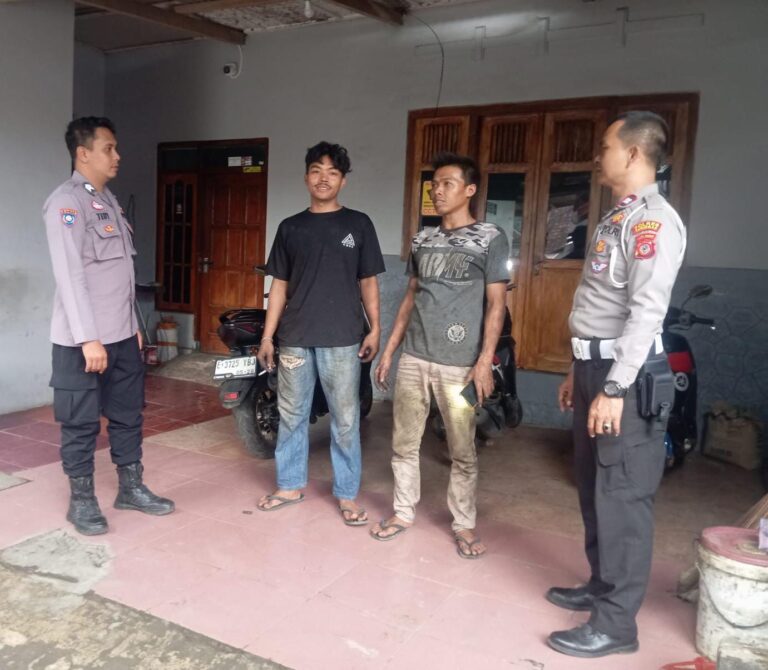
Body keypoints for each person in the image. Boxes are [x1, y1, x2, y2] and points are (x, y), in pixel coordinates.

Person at [546, 111, 686, 658]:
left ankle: (616, 625)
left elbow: (647, 312)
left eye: (605, 146)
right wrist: (576, 369)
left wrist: (614, 388)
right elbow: (600, 306)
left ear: (632, 153)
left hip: (625, 376)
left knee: (623, 496)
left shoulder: (654, 221)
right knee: (593, 487)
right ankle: (601, 586)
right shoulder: (617, 217)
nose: (597, 155)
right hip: (594, 367)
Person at [371, 152, 509, 559]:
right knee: (404, 443)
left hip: (460, 366)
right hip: (414, 359)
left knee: (462, 449)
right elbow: (410, 298)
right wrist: (389, 352)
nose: (437, 190)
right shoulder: (422, 239)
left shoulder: (490, 237)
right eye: (434, 184)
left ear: (470, 190)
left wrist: (483, 361)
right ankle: (402, 512)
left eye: (448, 183)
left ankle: (464, 523)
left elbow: (496, 305)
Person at [43, 117, 175, 536]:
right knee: (81, 422)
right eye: (108, 148)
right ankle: (82, 501)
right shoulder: (67, 203)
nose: (117, 156)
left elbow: (120, 275)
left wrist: (132, 325)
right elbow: (70, 276)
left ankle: (130, 488)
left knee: (128, 415)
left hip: (120, 336)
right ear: (83, 153)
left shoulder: (108, 201)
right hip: (82, 342)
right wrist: (89, 338)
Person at [256, 141, 385, 525]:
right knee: (291, 415)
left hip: (343, 338)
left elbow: (368, 282)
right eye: (316, 170)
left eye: (332, 172)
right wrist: (268, 336)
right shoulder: (290, 227)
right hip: (296, 337)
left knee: (345, 420)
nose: (323, 178)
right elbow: (279, 286)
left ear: (343, 181)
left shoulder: (358, 224)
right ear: (306, 177)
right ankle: (289, 485)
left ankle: (346, 494)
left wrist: (376, 328)